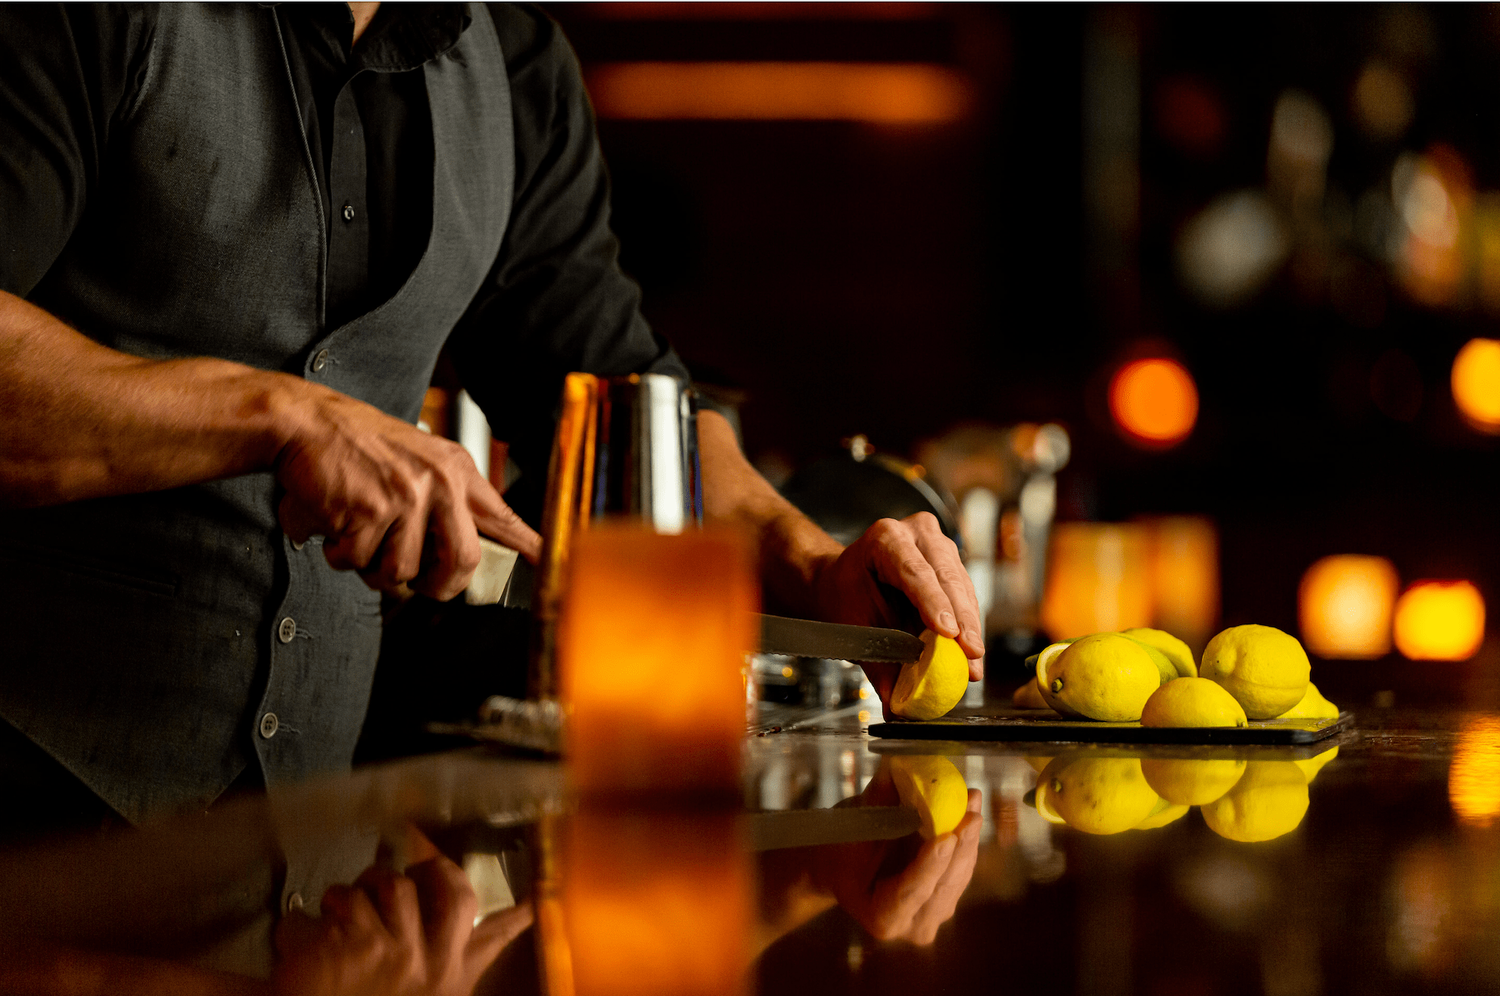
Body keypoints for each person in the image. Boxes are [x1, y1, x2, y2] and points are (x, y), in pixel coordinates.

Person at [0, 2, 984, 830]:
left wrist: (814, 567)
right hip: (35, 807)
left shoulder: (511, 61)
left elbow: (622, 405)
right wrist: (281, 416)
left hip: (305, 846)